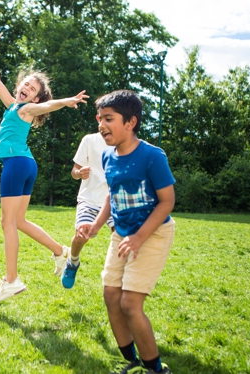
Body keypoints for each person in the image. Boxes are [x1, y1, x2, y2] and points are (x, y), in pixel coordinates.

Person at [0, 33, 88, 303]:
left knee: (7, 222)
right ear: (19, 86)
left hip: (17, 164)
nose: (26, 89)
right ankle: (59, 251)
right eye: (25, 84)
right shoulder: (12, 105)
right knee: (19, 221)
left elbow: (47, 105)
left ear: (36, 98)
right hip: (26, 164)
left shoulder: (26, 109)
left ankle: (12, 281)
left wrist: (65, 101)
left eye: (32, 89)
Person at [78, 90, 175, 374]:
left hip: (153, 233)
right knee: (111, 294)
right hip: (122, 234)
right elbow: (112, 194)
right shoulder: (108, 157)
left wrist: (139, 237)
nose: (101, 125)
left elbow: (167, 201)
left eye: (109, 119)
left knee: (130, 303)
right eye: (99, 119)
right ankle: (130, 360)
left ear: (130, 122)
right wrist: (96, 225)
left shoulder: (152, 156)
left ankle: (155, 369)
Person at [61, 132, 115, 289]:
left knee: (121, 235)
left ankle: (118, 276)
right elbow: (74, 171)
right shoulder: (89, 140)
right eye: (102, 117)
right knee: (81, 235)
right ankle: (73, 261)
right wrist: (79, 173)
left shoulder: (125, 142)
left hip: (114, 200)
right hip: (89, 199)